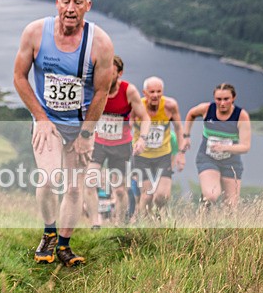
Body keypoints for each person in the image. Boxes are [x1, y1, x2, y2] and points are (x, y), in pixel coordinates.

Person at [13, 0, 114, 266]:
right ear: (57, 3)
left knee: (73, 188)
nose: (71, 8)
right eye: (66, 2)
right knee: (47, 178)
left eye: (78, 3)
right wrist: (41, 117)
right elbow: (19, 77)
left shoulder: (101, 43)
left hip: (81, 125)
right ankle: (49, 233)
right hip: (49, 123)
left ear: (88, 6)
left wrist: (85, 134)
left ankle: (65, 246)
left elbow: (102, 91)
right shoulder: (35, 33)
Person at [83, 55, 150, 228]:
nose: (106, 76)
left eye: (111, 73)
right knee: (89, 182)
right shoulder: (94, 89)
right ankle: (95, 223)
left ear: (120, 73)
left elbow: (145, 117)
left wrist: (142, 139)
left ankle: (119, 225)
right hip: (98, 143)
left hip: (121, 146)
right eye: (103, 72)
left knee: (120, 190)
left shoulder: (128, 91)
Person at [182, 83, 251, 208]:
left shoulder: (241, 116)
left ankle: (221, 225)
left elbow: (245, 146)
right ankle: (204, 214)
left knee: (231, 206)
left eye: (226, 99)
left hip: (231, 161)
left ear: (233, 98)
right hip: (208, 157)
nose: (222, 103)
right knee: (211, 195)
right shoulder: (207, 109)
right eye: (219, 99)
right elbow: (191, 114)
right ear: (214, 99)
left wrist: (225, 148)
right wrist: (186, 137)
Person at [130, 76, 186, 218]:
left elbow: (179, 128)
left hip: (163, 156)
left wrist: (181, 153)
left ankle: (157, 215)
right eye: (152, 92)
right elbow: (126, 126)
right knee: (147, 195)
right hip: (142, 157)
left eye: (159, 92)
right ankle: (145, 225)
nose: (155, 95)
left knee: (162, 196)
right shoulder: (136, 106)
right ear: (144, 92)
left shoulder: (170, 106)